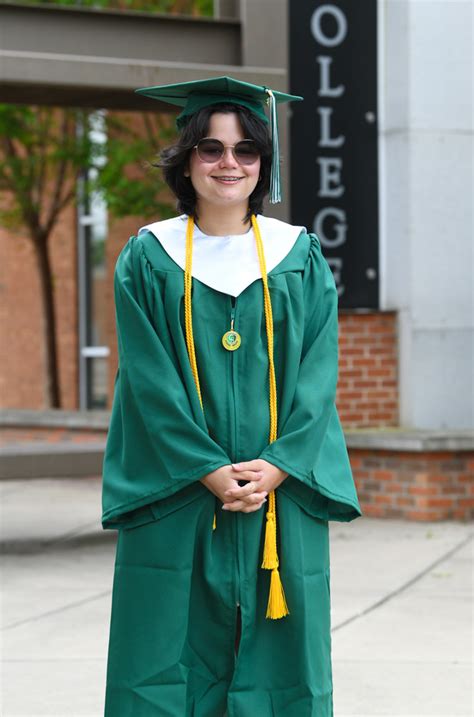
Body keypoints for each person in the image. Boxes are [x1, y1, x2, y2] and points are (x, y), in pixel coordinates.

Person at [102, 76, 361, 717]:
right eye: (211, 149)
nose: (229, 163)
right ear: (186, 159)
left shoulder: (297, 255)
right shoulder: (148, 256)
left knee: (285, 665)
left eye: (246, 150)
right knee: (165, 659)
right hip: (180, 493)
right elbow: (148, 380)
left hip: (280, 496)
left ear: (262, 165)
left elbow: (317, 373)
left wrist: (279, 463)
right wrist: (211, 470)